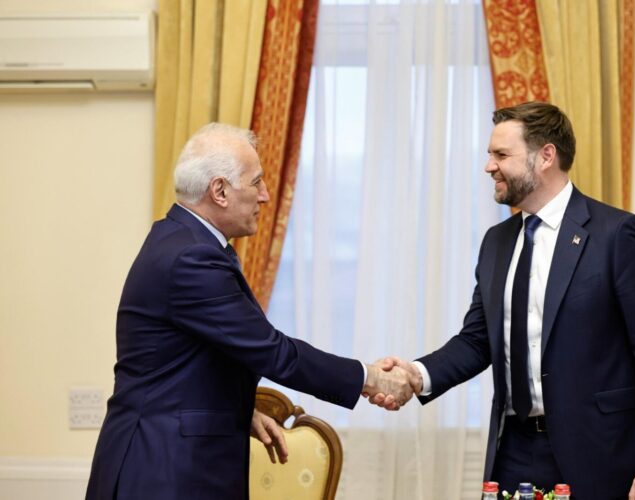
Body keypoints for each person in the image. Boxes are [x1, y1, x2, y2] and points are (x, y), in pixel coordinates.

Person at [371, 102, 635, 499]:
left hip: (600, 453)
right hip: (513, 452)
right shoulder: (497, 242)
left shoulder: (617, 235)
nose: (489, 166)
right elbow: (477, 341)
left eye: (501, 154)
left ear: (546, 156)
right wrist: (417, 375)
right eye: (490, 154)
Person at [85, 123, 415, 500]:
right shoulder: (192, 258)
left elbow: (186, 365)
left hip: (167, 459)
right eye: (256, 182)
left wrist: (241, 412)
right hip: (163, 470)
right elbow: (272, 351)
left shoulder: (182, 240)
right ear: (220, 191)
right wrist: (370, 378)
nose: (265, 195)